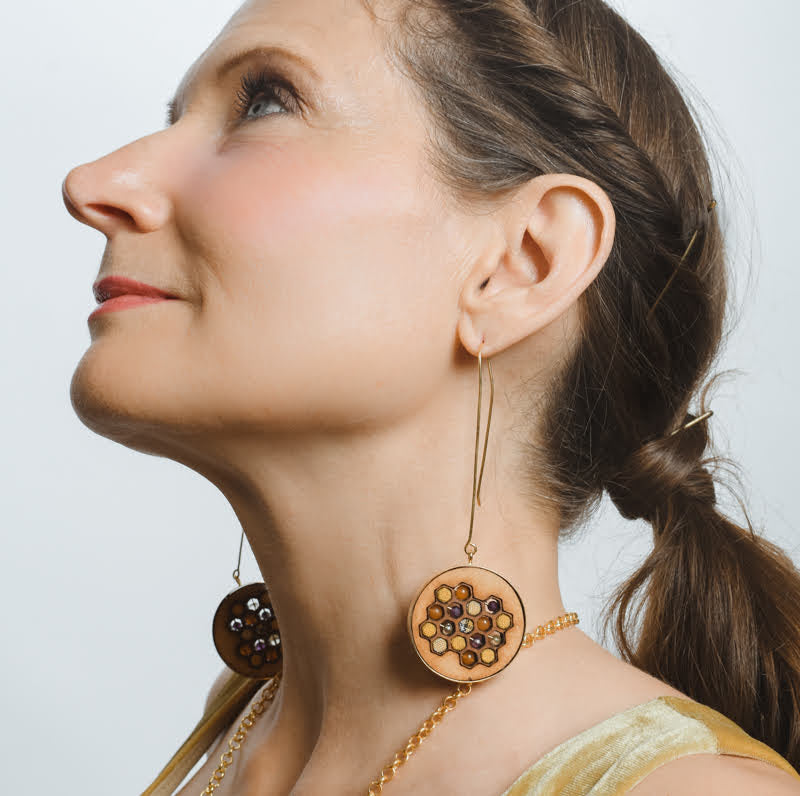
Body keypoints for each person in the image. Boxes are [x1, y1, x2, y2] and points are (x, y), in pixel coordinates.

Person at [60, 0, 800, 793]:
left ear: (524, 262)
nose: (93, 184)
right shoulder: (235, 731)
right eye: (176, 119)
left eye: (265, 101)